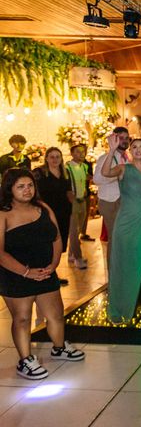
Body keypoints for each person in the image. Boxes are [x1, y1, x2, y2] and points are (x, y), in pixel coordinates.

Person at [0, 169, 84, 380]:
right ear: (9, 189)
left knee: (55, 314)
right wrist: (26, 272)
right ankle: (25, 360)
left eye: (30, 185)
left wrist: (54, 264)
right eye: (20, 186)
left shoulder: (43, 207)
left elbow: (56, 237)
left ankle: (59, 348)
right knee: (22, 319)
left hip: (46, 272)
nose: (27, 190)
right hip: (16, 275)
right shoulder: (3, 214)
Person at [101, 137, 141, 323]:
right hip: (125, 223)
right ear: (130, 151)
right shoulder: (123, 168)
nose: (139, 150)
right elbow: (104, 172)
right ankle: (123, 304)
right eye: (135, 147)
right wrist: (111, 151)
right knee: (124, 263)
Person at [33, 147, 73, 286]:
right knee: (48, 242)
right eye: (52, 157)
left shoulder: (65, 172)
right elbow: (34, 192)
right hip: (46, 212)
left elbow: (69, 191)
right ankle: (47, 272)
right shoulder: (39, 172)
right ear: (46, 158)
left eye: (58, 156)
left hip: (63, 212)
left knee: (60, 242)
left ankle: (54, 270)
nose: (55, 159)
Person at [93, 126, 130, 268]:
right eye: (121, 138)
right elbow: (97, 179)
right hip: (110, 202)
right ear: (114, 139)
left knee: (122, 239)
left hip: (123, 203)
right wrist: (117, 175)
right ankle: (113, 276)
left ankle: (122, 270)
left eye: (127, 138)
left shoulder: (126, 158)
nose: (124, 141)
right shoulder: (105, 158)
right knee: (115, 240)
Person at [66, 144, 89, 269]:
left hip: (82, 200)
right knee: (73, 231)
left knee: (78, 229)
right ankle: (78, 258)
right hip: (72, 202)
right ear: (72, 153)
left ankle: (71, 254)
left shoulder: (84, 166)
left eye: (83, 152)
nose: (81, 154)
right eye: (78, 152)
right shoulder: (67, 167)